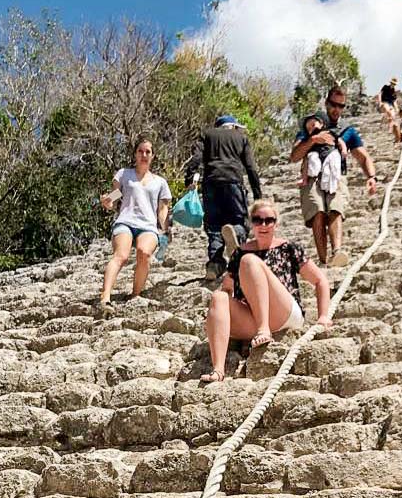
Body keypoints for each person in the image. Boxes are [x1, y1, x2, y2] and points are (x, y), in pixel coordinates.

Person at [201, 199, 332, 382]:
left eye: (268, 220)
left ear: (275, 223)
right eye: (257, 220)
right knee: (218, 297)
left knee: (249, 261)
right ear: (251, 223)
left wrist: (323, 315)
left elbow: (320, 280)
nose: (263, 225)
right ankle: (218, 370)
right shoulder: (239, 253)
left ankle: (264, 330)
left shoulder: (289, 248)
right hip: (252, 315)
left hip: (284, 312)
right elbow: (227, 288)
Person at [290, 86, 378, 267]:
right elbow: (294, 156)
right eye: (333, 105)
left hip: (336, 174)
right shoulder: (311, 125)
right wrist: (313, 140)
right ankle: (323, 260)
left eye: (341, 106)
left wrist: (371, 176)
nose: (337, 109)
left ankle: (337, 251)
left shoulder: (348, 130)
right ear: (326, 103)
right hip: (313, 176)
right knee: (317, 213)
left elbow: (363, 156)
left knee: (336, 208)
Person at [185, 115, 262, 279]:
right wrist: (257, 194)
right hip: (233, 182)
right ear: (233, 126)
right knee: (239, 220)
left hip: (211, 183)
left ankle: (214, 265)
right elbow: (251, 167)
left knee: (214, 226)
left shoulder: (207, 134)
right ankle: (235, 233)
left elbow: (196, 158)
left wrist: (190, 179)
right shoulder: (241, 138)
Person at [99, 136, 171, 308]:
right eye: (140, 151)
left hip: (148, 225)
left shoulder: (160, 182)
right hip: (126, 221)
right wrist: (108, 201)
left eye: (148, 152)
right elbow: (116, 196)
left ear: (153, 156)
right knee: (121, 256)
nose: (144, 155)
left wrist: (166, 229)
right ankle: (105, 296)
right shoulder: (124, 174)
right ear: (135, 154)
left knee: (144, 253)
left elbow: (162, 209)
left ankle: (135, 294)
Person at [297, 112, 347, 189]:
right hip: (316, 154)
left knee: (333, 163)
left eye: (313, 125)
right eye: (309, 128)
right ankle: (304, 178)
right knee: (307, 159)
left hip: (329, 152)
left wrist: (344, 149)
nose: (312, 128)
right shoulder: (309, 140)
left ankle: (335, 179)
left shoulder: (329, 132)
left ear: (321, 124)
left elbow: (339, 140)